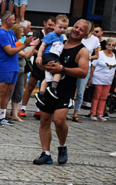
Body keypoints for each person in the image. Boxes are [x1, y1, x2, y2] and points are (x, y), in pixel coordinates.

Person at [34, 20, 91, 165]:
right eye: (76, 27)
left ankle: (62, 146)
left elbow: (83, 72)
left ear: (86, 34)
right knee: (44, 119)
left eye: (82, 29)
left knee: (59, 120)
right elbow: (45, 65)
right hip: (50, 88)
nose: (77, 30)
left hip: (66, 89)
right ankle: (46, 153)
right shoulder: (58, 41)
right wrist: (41, 64)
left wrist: (63, 69)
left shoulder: (82, 50)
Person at [0, 11, 38, 127]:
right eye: (13, 20)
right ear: (7, 20)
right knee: (1, 91)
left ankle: (2, 115)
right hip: (4, 66)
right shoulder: (1, 33)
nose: (15, 22)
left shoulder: (10, 32)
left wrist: (28, 44)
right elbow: (10, 51)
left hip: (13, 66)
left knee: (8, 92)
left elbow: (15, 46)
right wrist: (25, 44)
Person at [20, 16, 55, 119]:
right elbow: (33, 49)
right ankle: (23, 108)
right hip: (37, 63)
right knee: (30, 86)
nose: (51, 27)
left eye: (53, 25)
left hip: (48, 65)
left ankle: (38, 110)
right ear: (44, 23)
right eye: (49, 25)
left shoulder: (54, 35)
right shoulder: (37, 34)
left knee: (43, 88)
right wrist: (42, 54)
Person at [34, 14, 69, 105]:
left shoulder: (61, 37)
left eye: (64, 28)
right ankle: (53, 87)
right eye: (60, 27)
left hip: (55, 56)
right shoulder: (51, 35)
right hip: (48, 55)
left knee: (48, 76)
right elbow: (43, 46)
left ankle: (41, 93)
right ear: (54, 26)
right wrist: (39, 56)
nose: (62, 30)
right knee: (59, 69)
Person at [70, 20, 101, 122]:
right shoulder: (77, 37)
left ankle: (76, 113)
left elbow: (97, 55)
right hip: (73, 66)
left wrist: (86, 57)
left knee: (80, 92)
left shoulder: (95, 40)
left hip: (85, 67)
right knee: (69, 89)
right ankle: (65, 111)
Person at [9, 21, 37, 123]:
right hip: (14, 70)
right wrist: (33, 46)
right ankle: (2, 112)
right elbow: (24, 55)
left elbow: (28, 56)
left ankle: (14, 114)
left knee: (18, 92)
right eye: (21, 32)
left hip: (22, 69)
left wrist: (31, 47)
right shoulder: (14, 43)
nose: (23, 34)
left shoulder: (21, 43)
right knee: (9, 92)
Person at [89, 38, 116, 121]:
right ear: (106, 45)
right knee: (96, 96)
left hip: (108, 80)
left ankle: (100, 113)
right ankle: (93, 113)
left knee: (104, 97)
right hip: (98, 78)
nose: (111, 46)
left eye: (113, 45)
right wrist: (90, 78)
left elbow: (115, 69)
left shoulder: (114, 55)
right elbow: (93, 66)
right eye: (109, 44)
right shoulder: (100, 54)